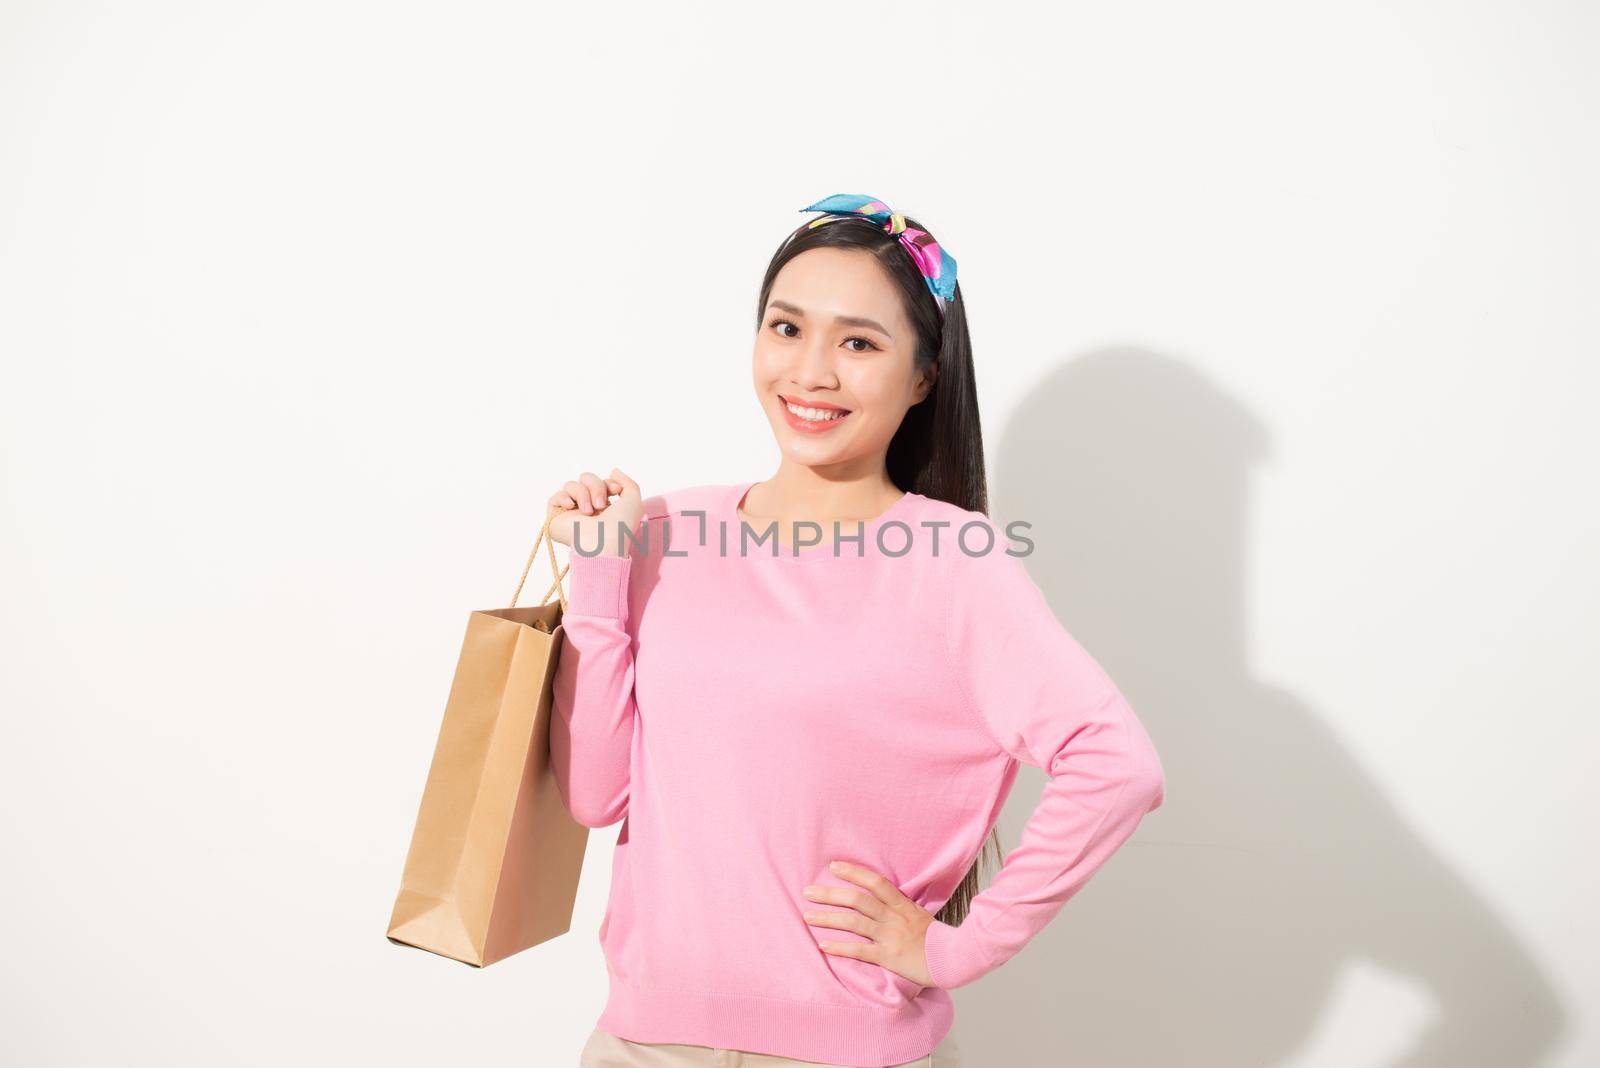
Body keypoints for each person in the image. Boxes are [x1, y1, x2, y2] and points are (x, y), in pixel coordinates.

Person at [545, 194, 1167, 1068]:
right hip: (639, 1046)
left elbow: (1117, 764)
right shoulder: (661, 529)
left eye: (859, 343)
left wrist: (958, 946)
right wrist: (601, 575)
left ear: (922, 377)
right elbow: (594, 795)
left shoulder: (955, 564)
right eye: (787, 328)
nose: (811, 372)